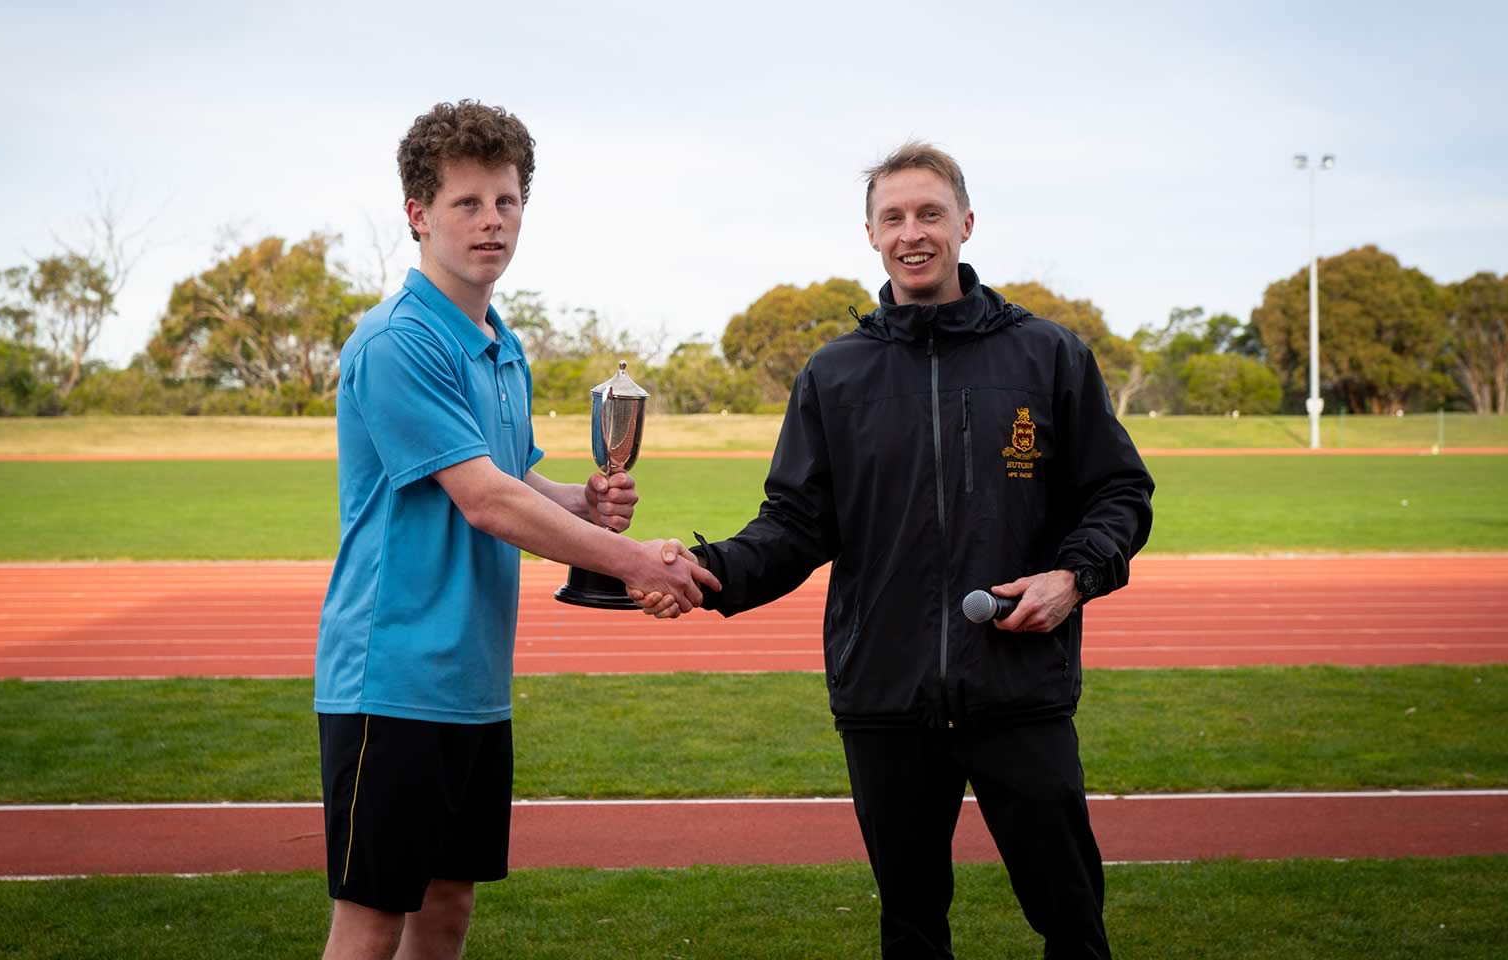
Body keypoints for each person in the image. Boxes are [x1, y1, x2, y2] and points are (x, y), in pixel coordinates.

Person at [642, 142, 1153, 958]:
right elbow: (795, 524)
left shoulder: (1047, 354)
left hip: (1019, 685)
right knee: (912, 926)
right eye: (894, 217)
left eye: (930, 214)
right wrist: (707, 574)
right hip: (884, 698)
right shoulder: (835, 374)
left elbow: (1120, 492)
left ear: (966, 225)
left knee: (1070, 917)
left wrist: (1075, 576)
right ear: (872, 234)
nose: (912, 233)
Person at [312, 100, 717, 960]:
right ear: (419, 214)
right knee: (373, 917)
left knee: (449, 903)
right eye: (467, 202)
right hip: (391, 676)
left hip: (472, 677)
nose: (491, 221)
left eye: (507, 201)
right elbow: (486, 501)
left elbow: (515, 474)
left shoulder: (500, 342)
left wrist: (580, 499)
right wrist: (633, 558)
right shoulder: (397, 342)